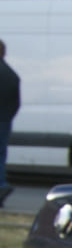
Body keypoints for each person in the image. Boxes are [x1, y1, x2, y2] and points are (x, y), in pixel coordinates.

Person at [0, 39, 19, 208]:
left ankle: (2, 186)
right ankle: (1, 185)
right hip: (4, 122)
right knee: (1, 156)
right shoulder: (12, 75)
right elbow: (16, 103)